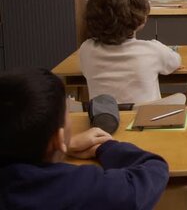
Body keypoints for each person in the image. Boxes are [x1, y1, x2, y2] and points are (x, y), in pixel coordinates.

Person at [0, 68, 169, 209]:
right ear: (58, 138)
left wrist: (67, 144)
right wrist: (105, 147)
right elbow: (153, 170)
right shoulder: (76, 186)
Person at [79, 0, 181, 104]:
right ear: (140, 18)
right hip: (146, 121)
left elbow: (83, 71)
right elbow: (175, 62)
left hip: (104, 121)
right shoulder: (153, 50)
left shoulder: (86, 50)